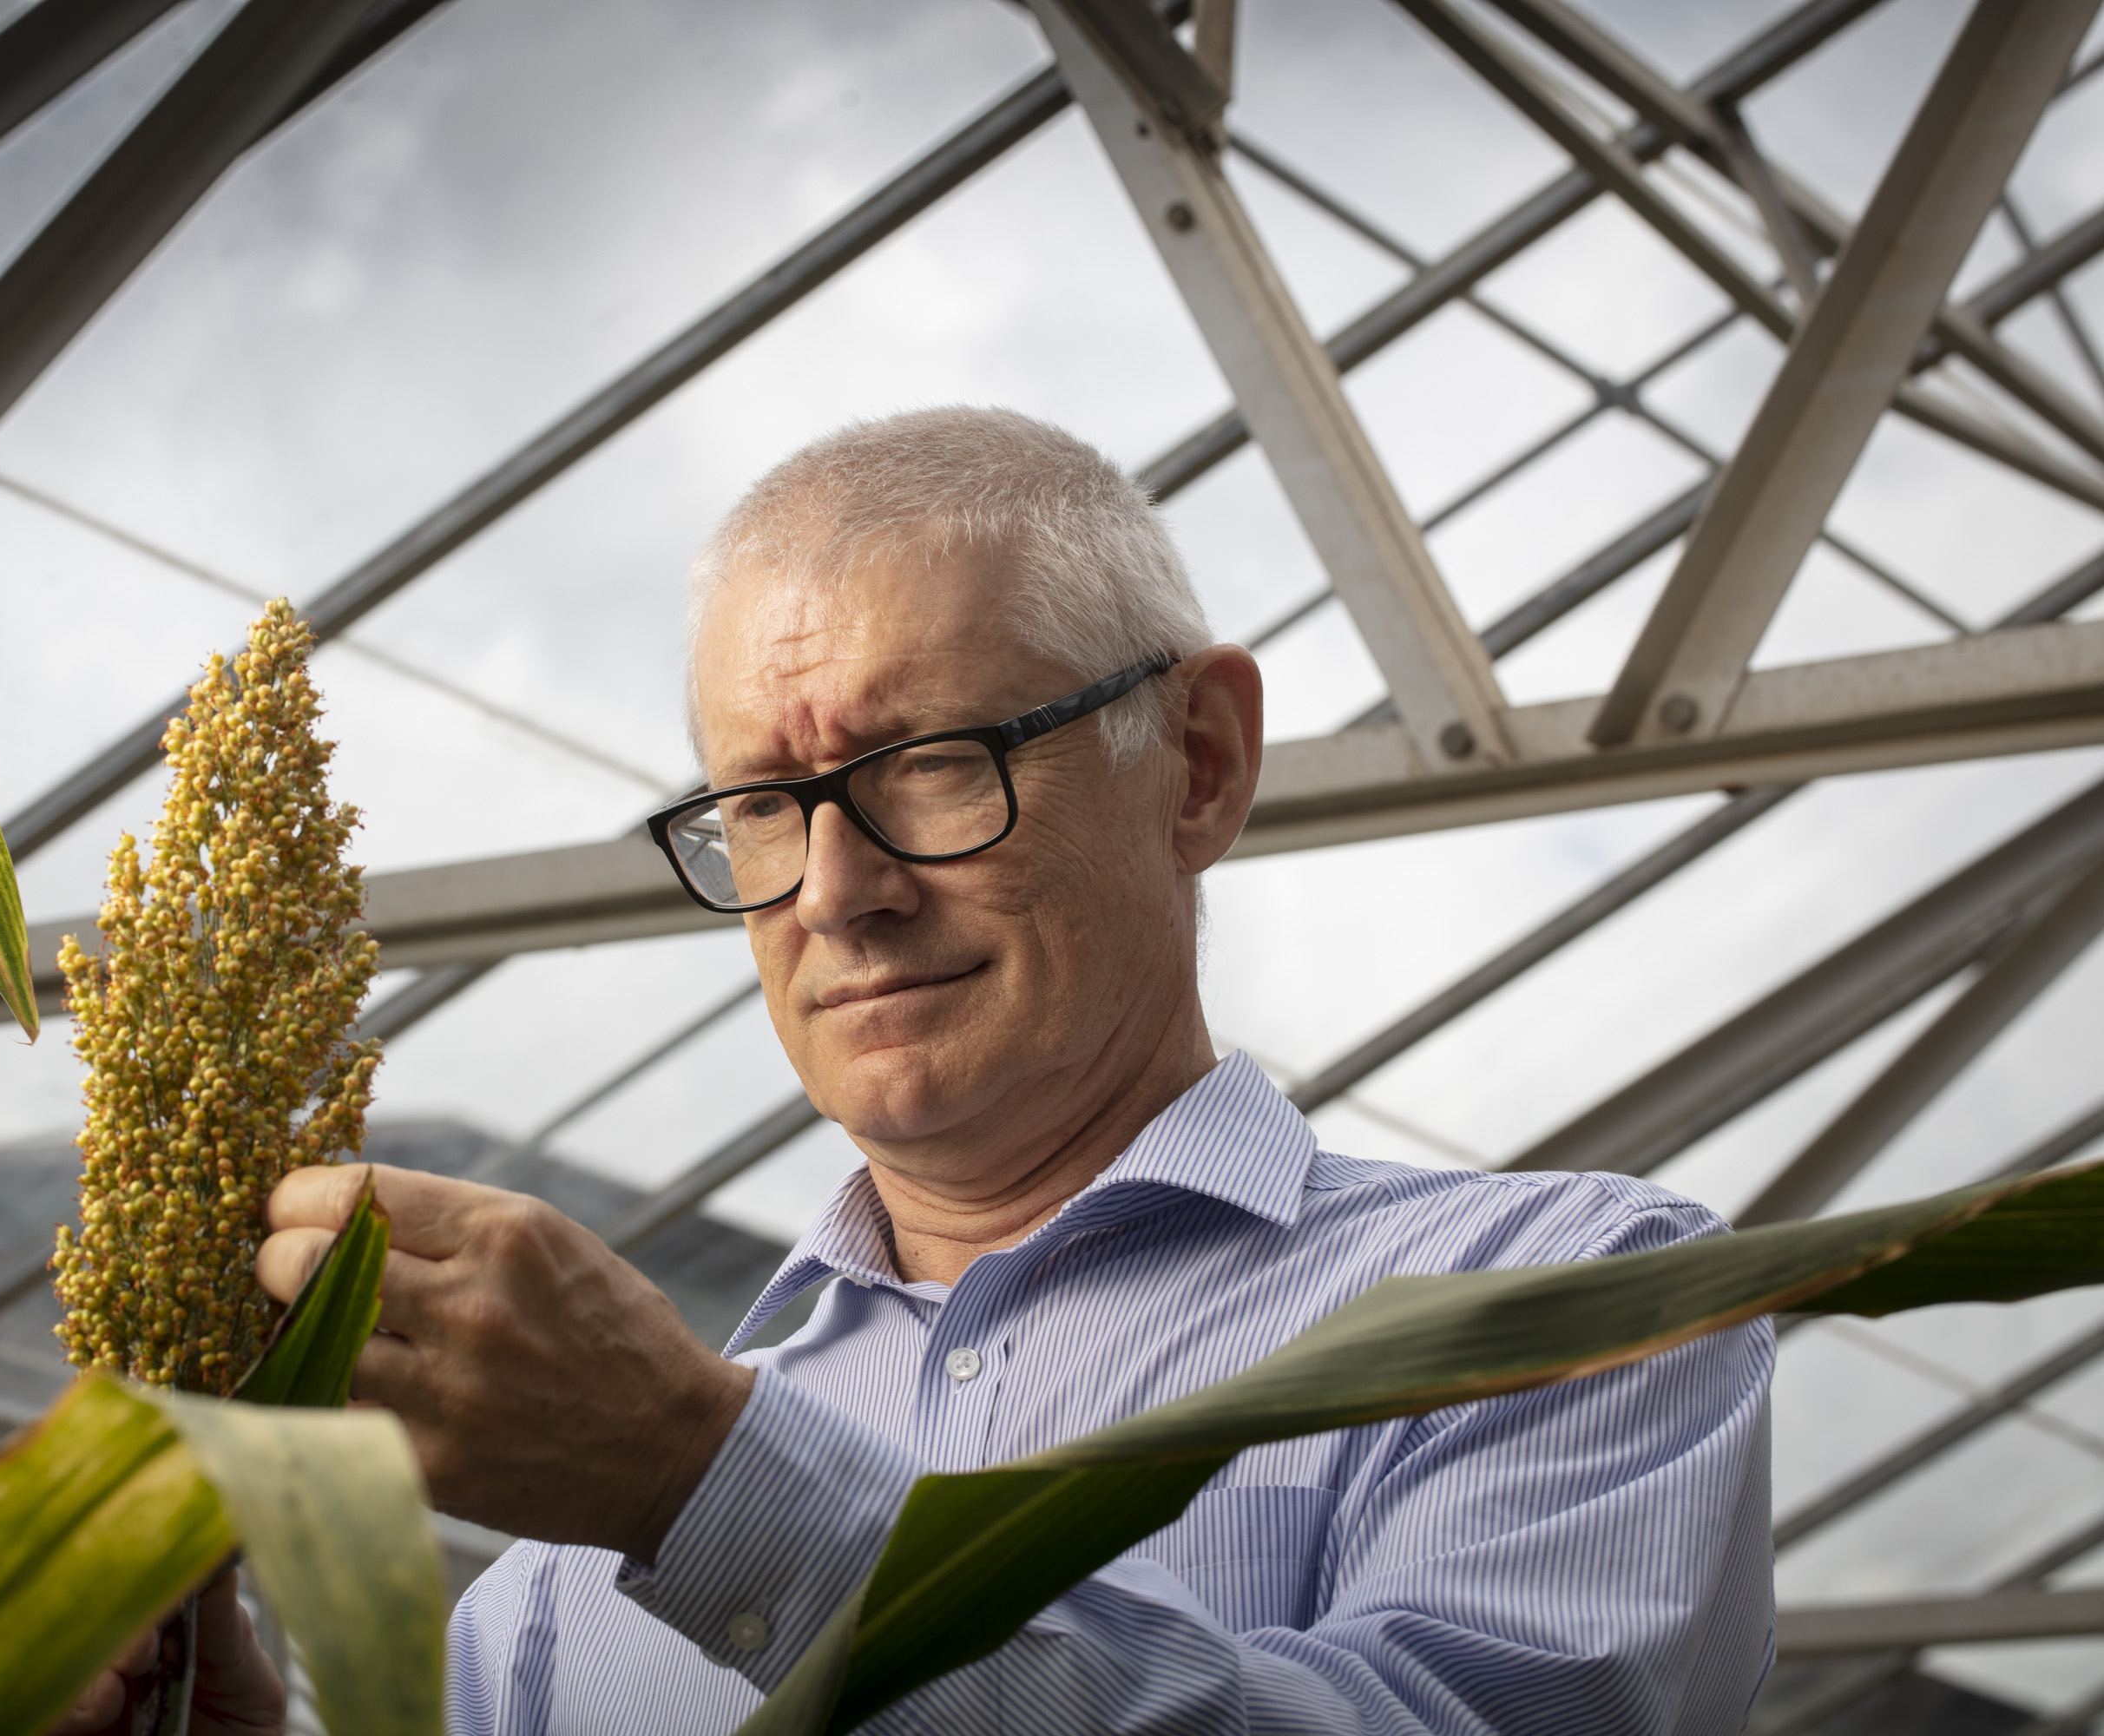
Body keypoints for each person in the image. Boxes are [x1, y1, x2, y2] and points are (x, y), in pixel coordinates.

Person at [92, 406, 1776, 1733]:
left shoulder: (1571, 1307)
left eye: (933, 765)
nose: (837, 888)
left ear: (1199, 760)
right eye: (762, 803)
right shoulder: (540, 1606)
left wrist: (710, 1484)